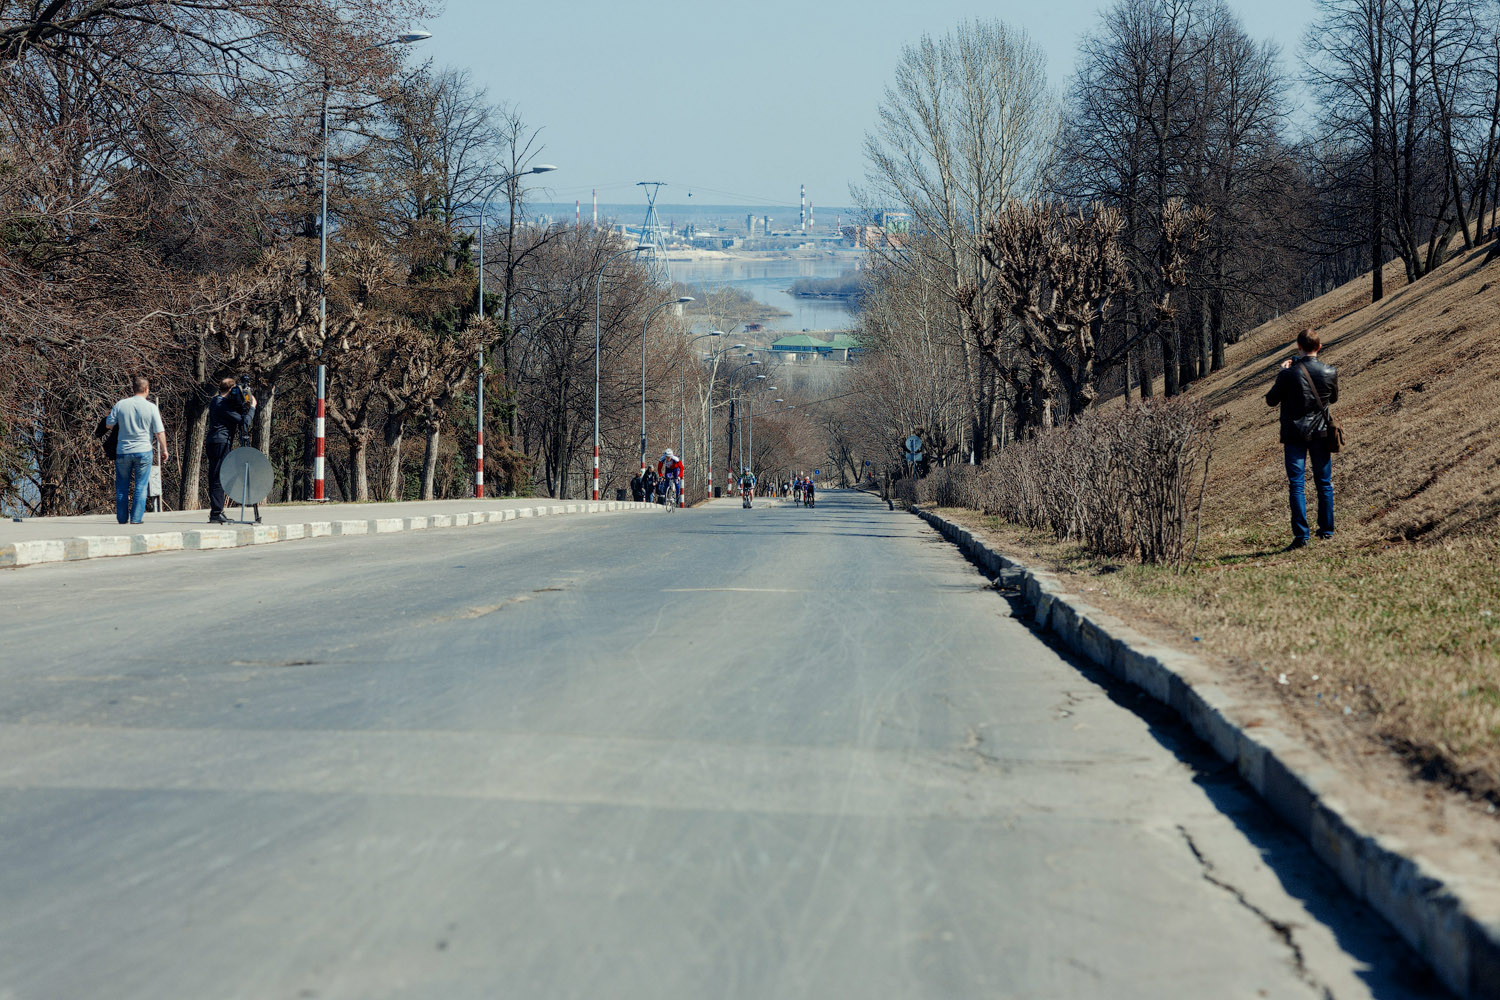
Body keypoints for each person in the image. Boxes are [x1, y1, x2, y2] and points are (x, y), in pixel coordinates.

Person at [1266, 327, 1338, 549]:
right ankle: (1327, 531)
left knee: (1296, 484)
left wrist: (1282, 373)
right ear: (1319, 347)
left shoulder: (1288, 374)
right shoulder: (1330, 371)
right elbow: (1333, 398)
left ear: (1298, 347)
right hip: (1320, 433)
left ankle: (1301, 536)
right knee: (1324, 483)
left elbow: (1271, 400)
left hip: (1294, 434)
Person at [104, 376, 168, 525]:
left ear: (133, 389)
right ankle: (136, 518)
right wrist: (164, 449)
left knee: (122, 486)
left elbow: (109, 424)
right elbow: (159, 432)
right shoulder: (151, 407)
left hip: (123, 450)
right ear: (146, 389)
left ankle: (122, 518)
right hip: (143, 451)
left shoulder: (121, 404)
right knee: (141, 486)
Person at [206, 377, 256, 524]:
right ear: (231, 390)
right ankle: (216, 513)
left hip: (216, 442)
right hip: (220, 442)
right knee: (218, 477)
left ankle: (217, 511)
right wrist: (253, 407)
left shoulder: (217, 401)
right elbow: (244, 421)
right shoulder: (221, 404)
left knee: (218, 475)